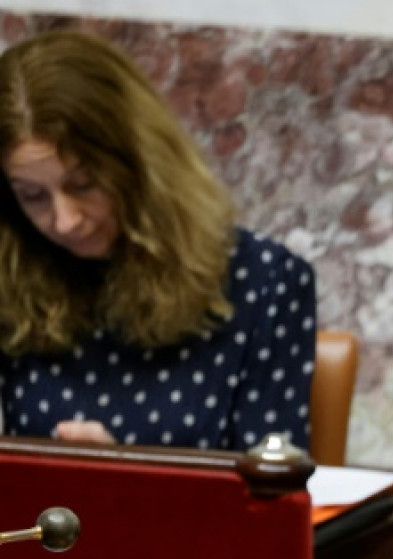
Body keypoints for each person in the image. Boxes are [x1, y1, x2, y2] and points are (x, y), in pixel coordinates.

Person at [0, 30, 315, 451]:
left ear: (141, 167)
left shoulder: (265, 282)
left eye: (84, 184)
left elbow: (271, 502)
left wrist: (128, 485)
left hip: (189, 520)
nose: (66, 221)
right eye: (32, 196)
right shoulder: (11, 271)